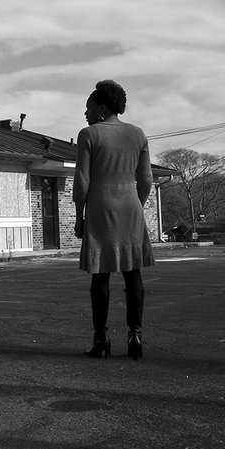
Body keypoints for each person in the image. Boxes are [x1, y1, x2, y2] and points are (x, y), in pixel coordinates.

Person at [73, 80, 153, 360]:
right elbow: (146, 180)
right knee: (133, 274)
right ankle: (135, 337)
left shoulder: (89, 134)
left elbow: (83, 180)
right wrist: (136, 206)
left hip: (100, 207)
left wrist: (79, 215)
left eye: (88, 107)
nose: (85, 113)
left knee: (101, 275)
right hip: (130, 206)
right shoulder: (138, 134)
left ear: (102, 107)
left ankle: (101, 338)